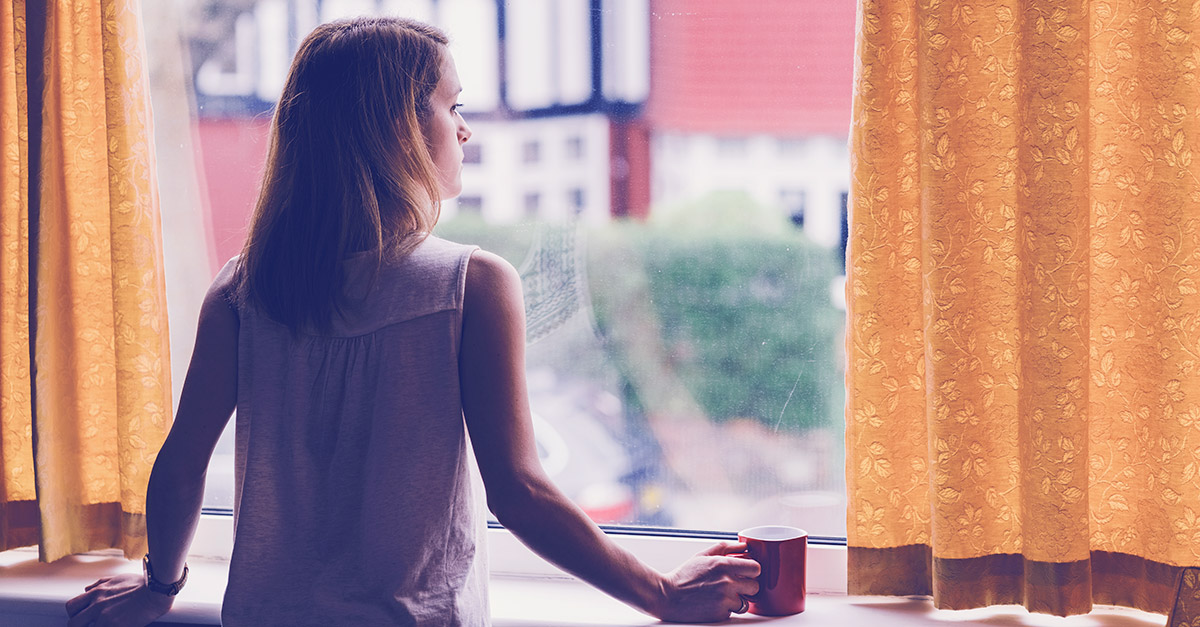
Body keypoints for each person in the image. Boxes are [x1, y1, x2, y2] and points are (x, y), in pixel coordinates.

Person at [64, 16, 759, 626]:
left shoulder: (243, 287)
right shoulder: (470, 284)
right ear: (392, 126)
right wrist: (662, 592)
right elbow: (520, 492)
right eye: (450, 105)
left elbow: (183, 460)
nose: (464, 128)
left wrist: (159, 585)